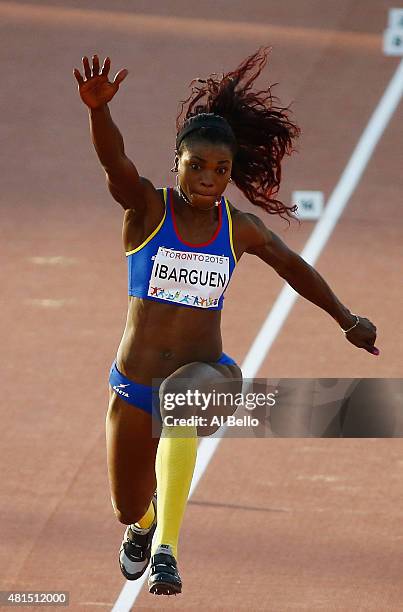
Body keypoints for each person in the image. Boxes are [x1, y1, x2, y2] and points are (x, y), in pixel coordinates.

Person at [73, 47, 379, 596]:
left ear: (231, 174)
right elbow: (112, 161)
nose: (210, 179)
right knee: (125, 506)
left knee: (182, 404)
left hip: (208, 373)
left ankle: (167, 549)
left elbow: (293, 267)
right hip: (132, 385)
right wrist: (98, 111)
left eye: (221, 170)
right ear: (177, 164)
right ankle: (144, 527)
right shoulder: (147, 210)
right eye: (198, 166)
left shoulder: (239, 229)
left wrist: (346, 318)